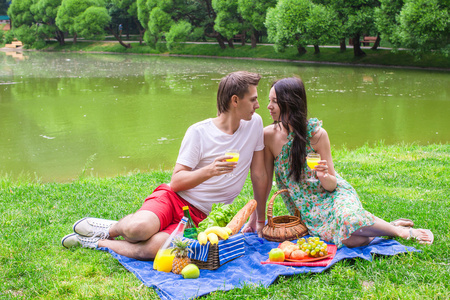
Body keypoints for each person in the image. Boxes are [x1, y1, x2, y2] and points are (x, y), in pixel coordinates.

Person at [61, 71, 268, 259]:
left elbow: (258, 174)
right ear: (235, 100)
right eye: (253, 99)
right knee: (138, 230)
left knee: (155, 249)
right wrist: (209, 171)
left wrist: (259, 220)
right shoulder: (199, 132)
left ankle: (96, 242)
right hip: (174, 198)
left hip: (203, 219)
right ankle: (111, 229)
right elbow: (176, 182)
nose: (257, 105)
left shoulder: (255, 124)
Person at [255, 76, 433, 247]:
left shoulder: (317, 134)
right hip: (309, 209)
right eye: (270, 100)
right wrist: (258, 220)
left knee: (349, 221)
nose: (269, 106)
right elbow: (265, 181)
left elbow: (331, 185)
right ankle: (388, 225)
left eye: (275, 101)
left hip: (333, 196)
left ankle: (401, 232)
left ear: (291, 103)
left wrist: (323, 175)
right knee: (350, 240)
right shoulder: (268, 136)